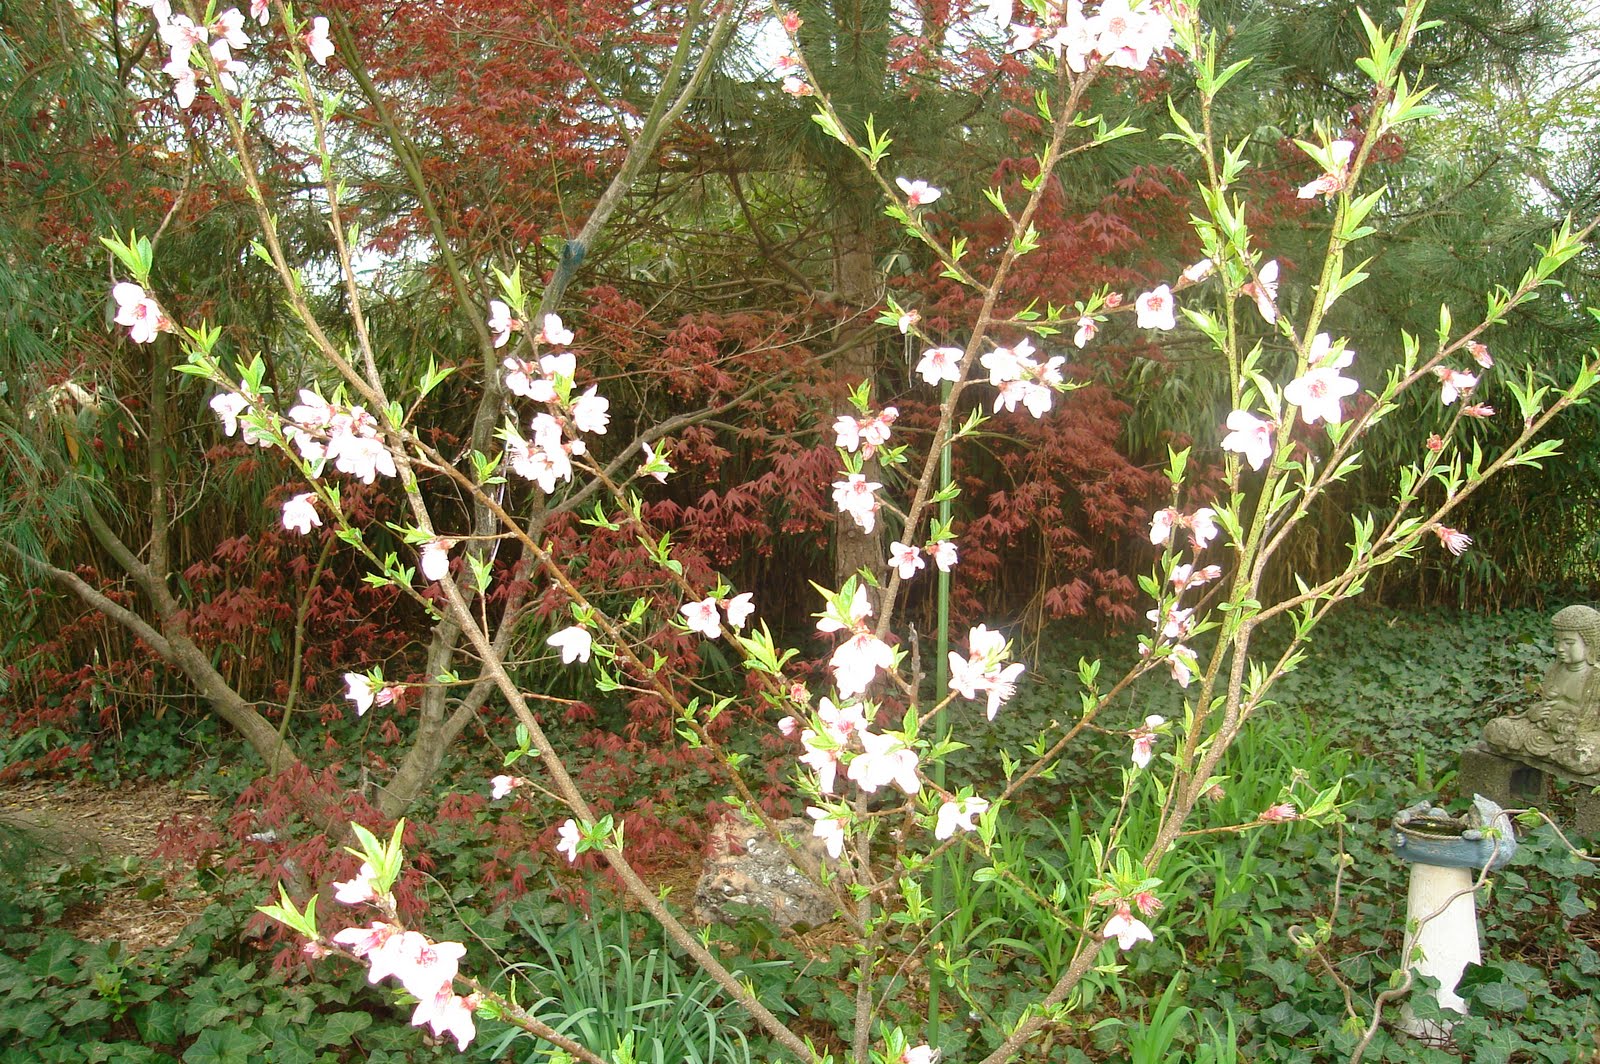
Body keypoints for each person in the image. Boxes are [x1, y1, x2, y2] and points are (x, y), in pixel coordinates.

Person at [1483, 604, 1600, 774]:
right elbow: (1545, 704)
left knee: (1582, 755)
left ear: (1590, 645)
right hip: (1545, 731)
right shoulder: (1555, 670)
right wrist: (1534, 712)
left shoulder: (1596, 677)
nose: (1560, 648)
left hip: (1577, 735)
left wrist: (1563, 724)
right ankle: (1553, 754)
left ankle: (1556, 753)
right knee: (1496, 729)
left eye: (1569, 643)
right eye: (1557, 640)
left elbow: (1593, 723)